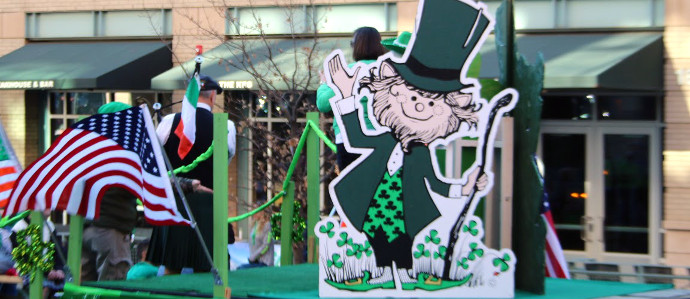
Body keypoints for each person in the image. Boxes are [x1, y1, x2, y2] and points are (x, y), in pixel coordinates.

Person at [80, 102, 209, 282]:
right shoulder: (120, 151)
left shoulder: (90, 148)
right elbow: (148, 178)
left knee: (84, 287)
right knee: (111, 286)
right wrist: (188, 184)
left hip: (85, 229)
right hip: (111, 230)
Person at [147, 74, 237, 274]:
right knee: (206, 272)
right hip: (209, 205)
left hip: (176, 204)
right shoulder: (227, 126)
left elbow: (154, 159)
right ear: (213, 96)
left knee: (171, 267)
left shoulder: (169, 121)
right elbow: (226, 161)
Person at [317, 26, 388, 171]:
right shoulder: (389, 72)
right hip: (383, 140)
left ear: (356, 46)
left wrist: (324, 83)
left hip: (348, 139)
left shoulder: (347, 72)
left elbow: (323, 104)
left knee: (352, 190)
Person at [238, 202, 274, 269]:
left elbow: (266, 245)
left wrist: (254, 257)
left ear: (262, 212)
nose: (253, 212)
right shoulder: (254, 224)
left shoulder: (267, 225)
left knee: (241, 269)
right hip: (254, 261)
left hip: (264, 262)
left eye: (256, 210)